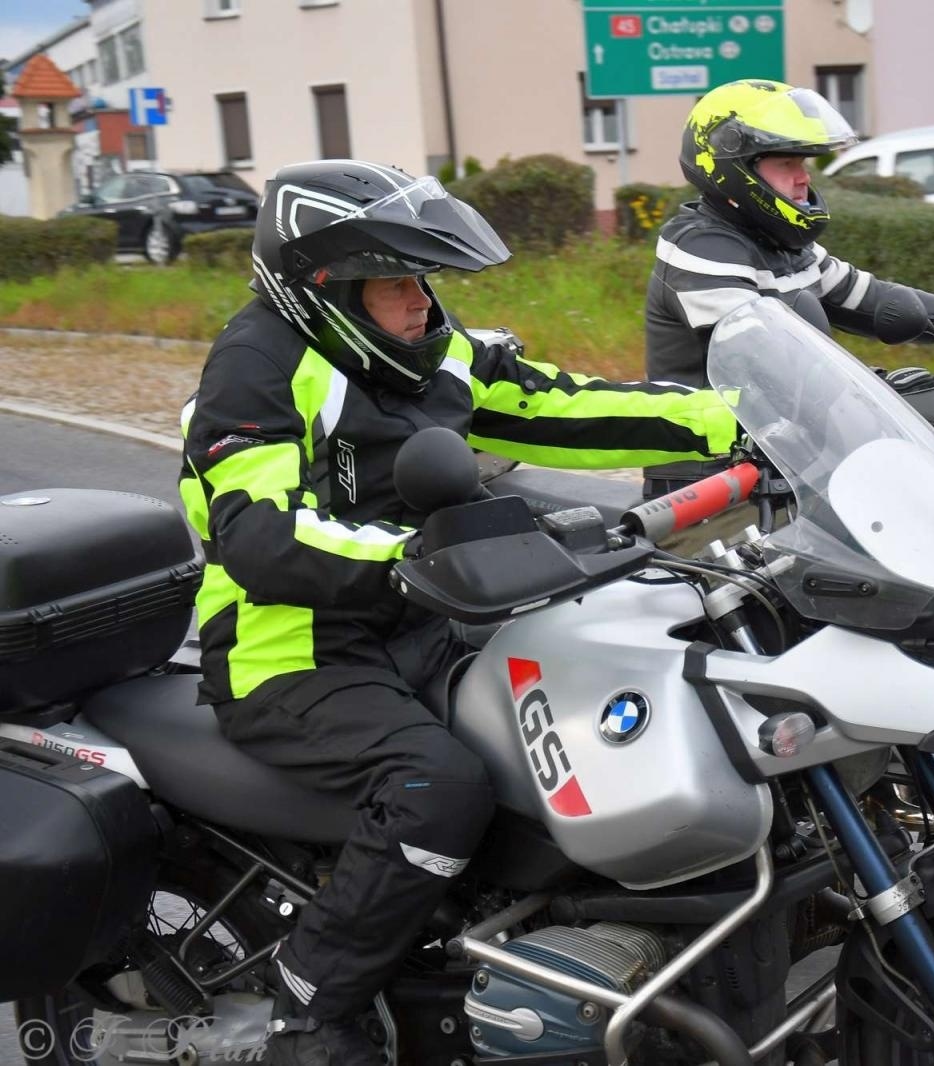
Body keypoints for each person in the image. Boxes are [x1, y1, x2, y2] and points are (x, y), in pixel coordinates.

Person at [179, 159, 736, 1065]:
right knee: (436, 785)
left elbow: (564, 405)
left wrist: (747, 420)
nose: (420, 302)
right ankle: (305, 1007)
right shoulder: (256, 369)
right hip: (286, 650)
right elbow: (262, 536)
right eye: (394, 281)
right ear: (327, 287)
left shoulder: (425, 352)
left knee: (590, 704)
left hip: (419, 623)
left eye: (422, 278)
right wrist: (419, 560)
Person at [643, 78, 934, 497]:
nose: (803, 180)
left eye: (804, 165)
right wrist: (880, 391)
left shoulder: (783, 246)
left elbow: (873, 300)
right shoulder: (700, 248)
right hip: (705, 483)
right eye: (786, 166)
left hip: (785, 466)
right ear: (733, 170)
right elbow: (766, 359)